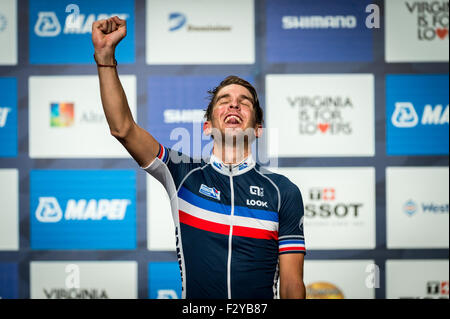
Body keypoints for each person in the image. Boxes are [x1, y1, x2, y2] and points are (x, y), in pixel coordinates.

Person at [92, 16, 306, 299]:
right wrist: (105, 60)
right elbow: (123, 129)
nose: (234, 103)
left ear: (257, 129)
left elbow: (292, 285)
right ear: (207, 127)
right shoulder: (183, 175)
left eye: (245, 102)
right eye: (224, 100)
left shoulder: (283, 191)